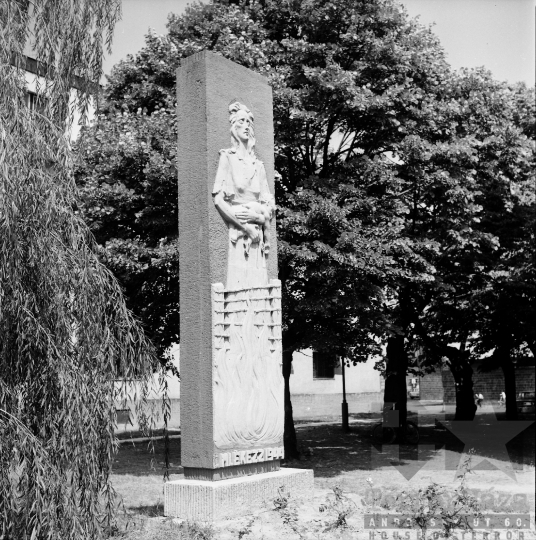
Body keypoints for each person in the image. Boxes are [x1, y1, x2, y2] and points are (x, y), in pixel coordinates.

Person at [212, 101, 275, 289]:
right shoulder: (228, 157)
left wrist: (258, 217)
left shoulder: (259, 165)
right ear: (233, 126)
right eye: (242, 121)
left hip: (258, 237)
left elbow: (269, 203)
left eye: (249, 122)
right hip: (239, 233)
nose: (247, 126)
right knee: (239, 287)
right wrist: (246, 227)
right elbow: (218, 200)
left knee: (259, 289)